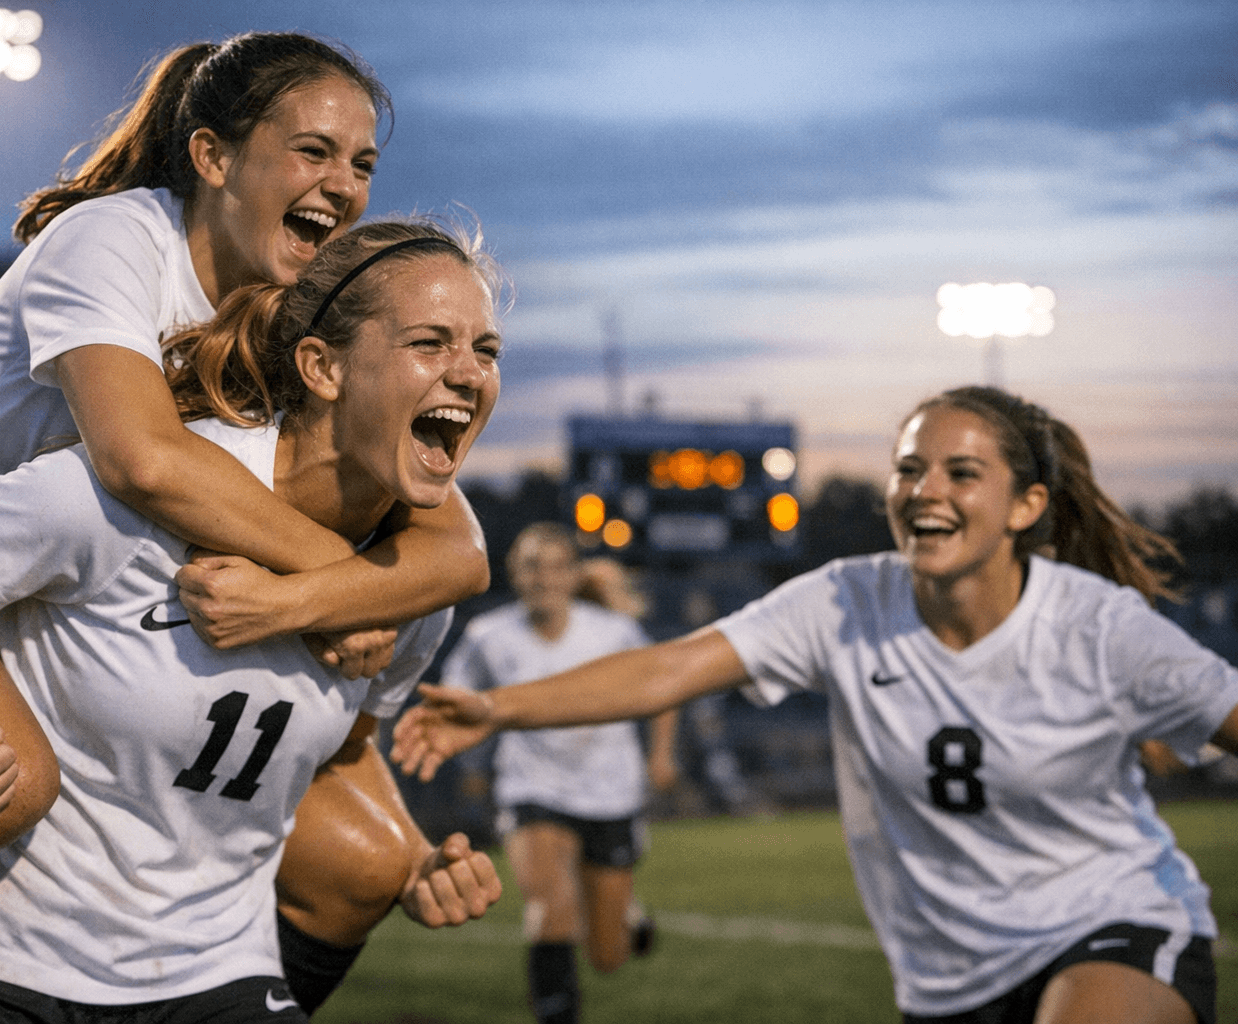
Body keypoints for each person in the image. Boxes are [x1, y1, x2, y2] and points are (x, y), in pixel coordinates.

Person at [0, 34, 489, 1022]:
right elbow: (139, 458)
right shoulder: (119, 238)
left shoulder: (283, 302)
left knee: (354, 857)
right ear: (212, 157)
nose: (343, 183)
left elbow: (452, 540)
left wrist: (341, 595)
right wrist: (332, 580)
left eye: (362, 162)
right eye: (313, 150)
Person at [394, 386, 1238, 1024]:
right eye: (909, 469)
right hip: (944, 980)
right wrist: (498, 708)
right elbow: (668, 670)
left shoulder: (1099, 627)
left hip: (1110, 923)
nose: (924, 489)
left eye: (961, 472)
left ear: (1026, 506)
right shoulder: (844, 602)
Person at [438, 525, 676, 1024]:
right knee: (550, 910)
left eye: (553, 566)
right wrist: (470, 763)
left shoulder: (611, 631)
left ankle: (629, 923)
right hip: (533, 789)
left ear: (572, 575)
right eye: (530, 565)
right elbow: (457, 699)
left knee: (607, 957)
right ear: (513, 573)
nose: (542, 577)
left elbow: (662, 686)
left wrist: (661, 755)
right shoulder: (489, 637)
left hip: (610, 792)